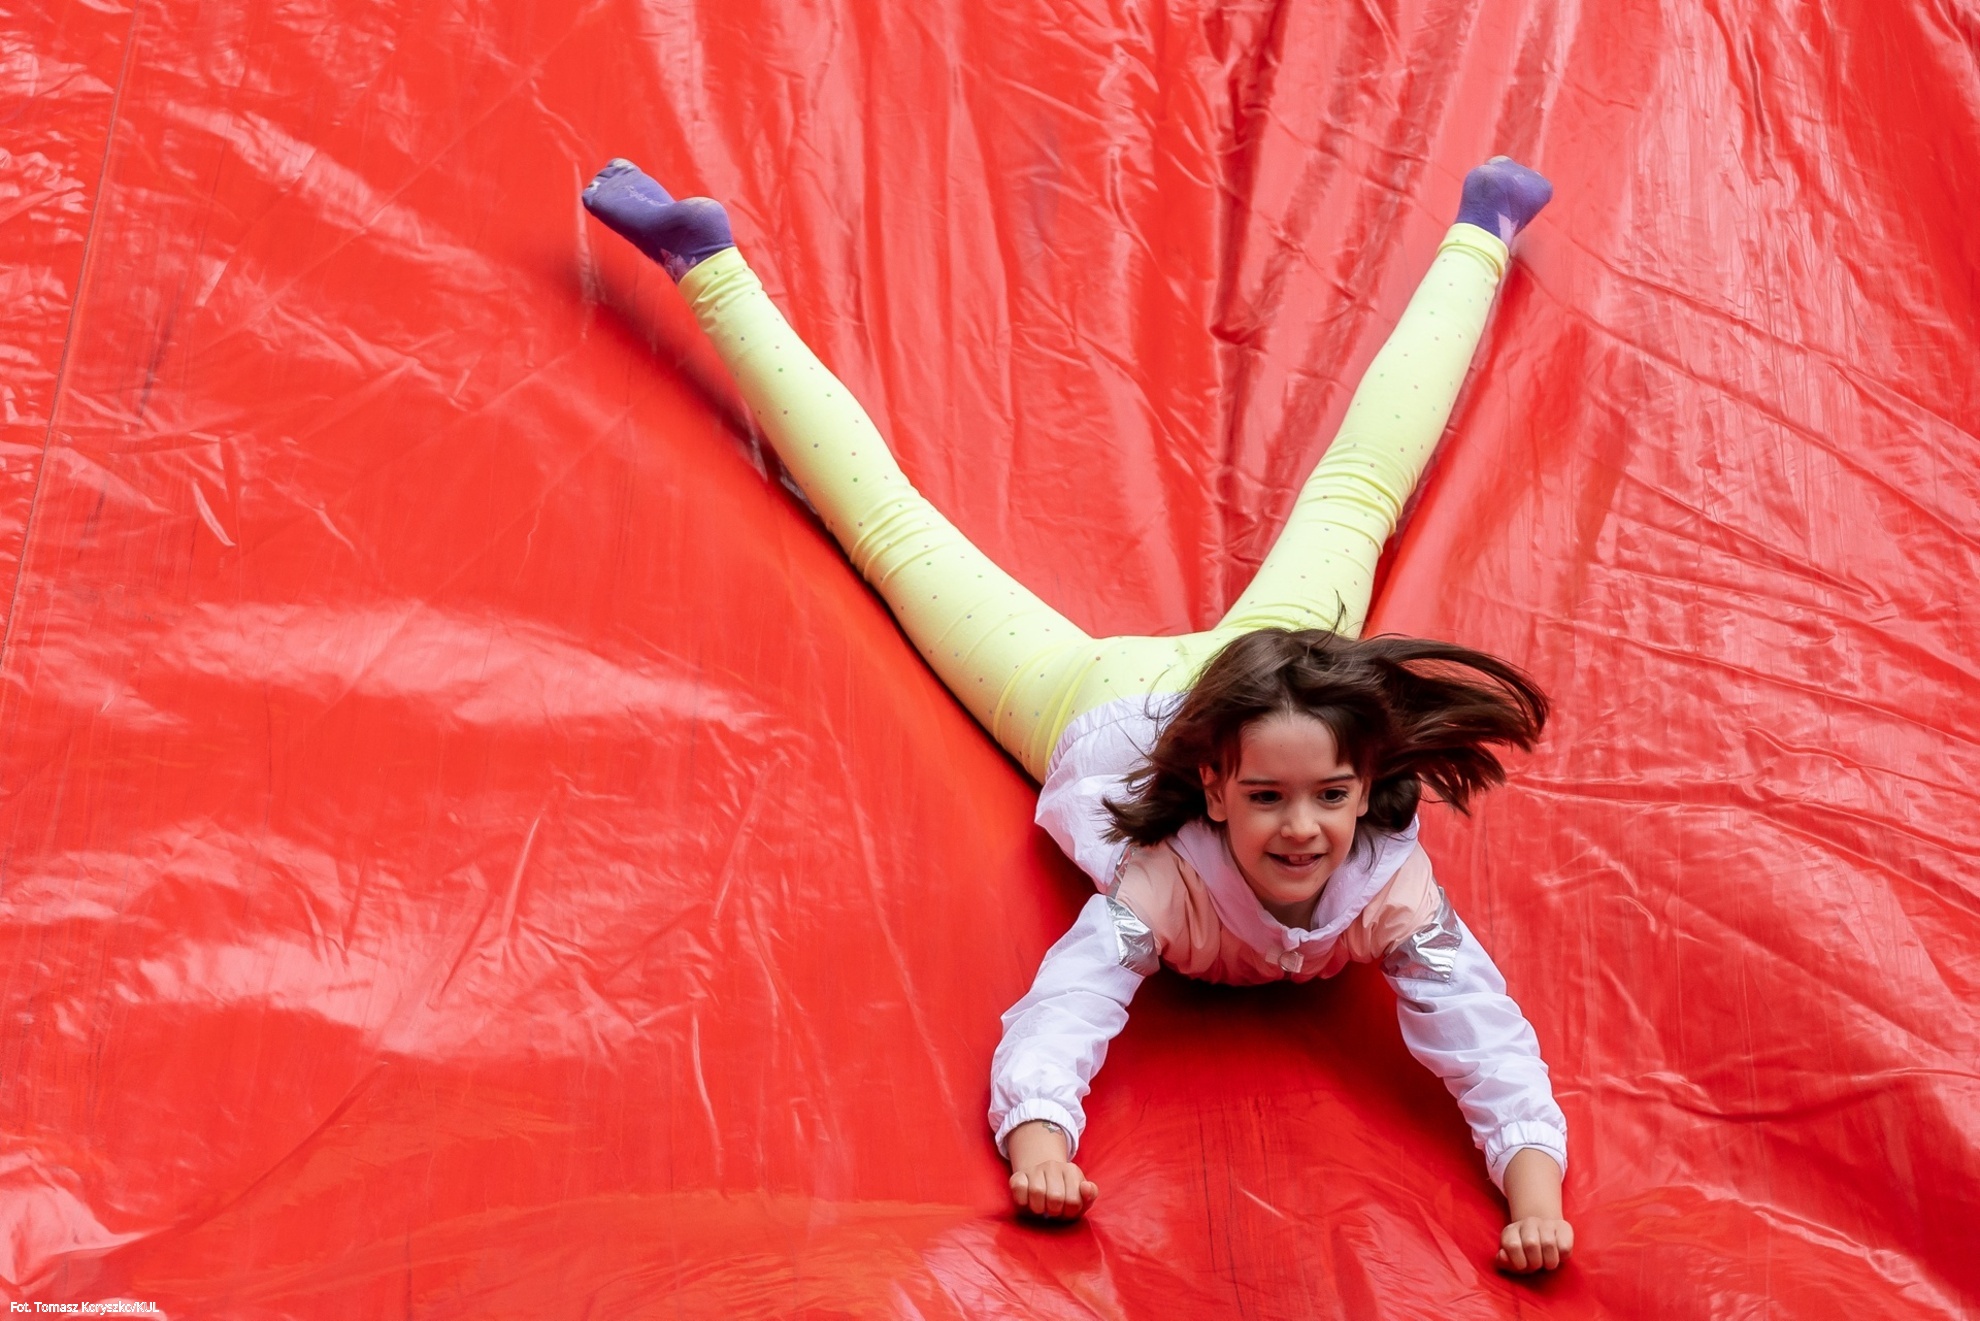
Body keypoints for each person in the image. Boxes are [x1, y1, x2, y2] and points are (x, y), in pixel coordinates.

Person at [582, 154, 1573, 1273]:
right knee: (892, 536)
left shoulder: (1387, 879)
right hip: (1094, 695)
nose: (1303, 829)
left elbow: (1483, 1035)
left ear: (1364, 781)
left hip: (1275, 667)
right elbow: (1069, 1004)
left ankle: (1484, 222)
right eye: (1268, 799)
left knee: (1362, 491)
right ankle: (705, 262)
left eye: (1330, 797)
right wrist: (1041, 1136)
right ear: (1214, 789)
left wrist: (1533, 1192)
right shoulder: (1166, 876)